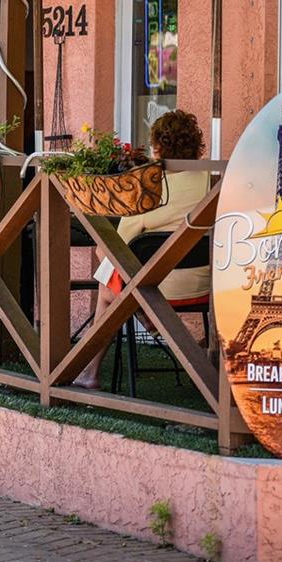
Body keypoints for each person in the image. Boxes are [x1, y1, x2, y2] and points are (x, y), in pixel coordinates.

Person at [73, 110, 210, 389]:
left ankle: (90, 372)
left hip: (157, 287)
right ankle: (146, 317)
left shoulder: (150, 190)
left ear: (158, 148)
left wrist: (102, 251)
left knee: (107, 280)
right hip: (205, 283)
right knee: (118, 272)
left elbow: (115, 248)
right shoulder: (211, 182)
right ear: (196, 146)